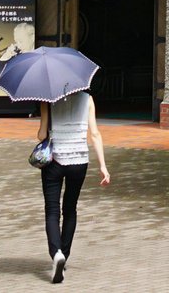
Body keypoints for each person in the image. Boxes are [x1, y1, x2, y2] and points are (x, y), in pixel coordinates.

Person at [36, 89, 109, 284]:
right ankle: (64, 256)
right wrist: (103, 166)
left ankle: (56, 253)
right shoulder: (88, 99)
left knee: (52, 211)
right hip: (79, 162)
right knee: (70, 209)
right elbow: (94, 133)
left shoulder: (48, 100)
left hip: (55, 162)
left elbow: (42, 134)